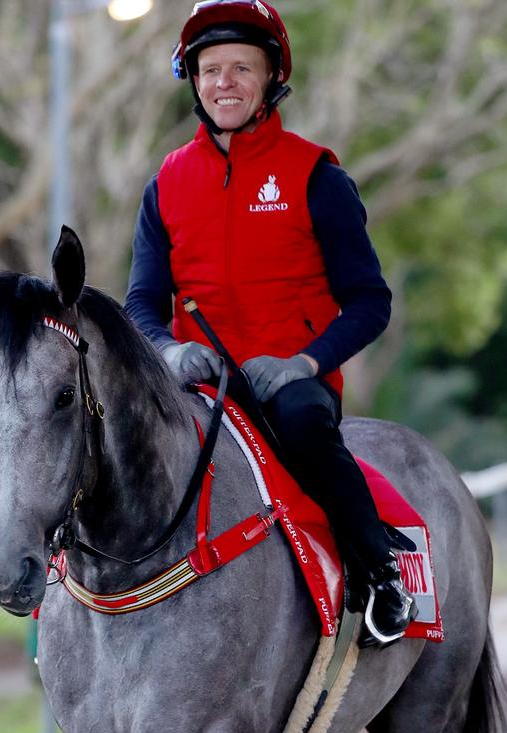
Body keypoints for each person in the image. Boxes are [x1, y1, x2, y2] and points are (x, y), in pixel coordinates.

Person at [124, 0, 417, 645]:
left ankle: (381, 572)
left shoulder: (318, 176)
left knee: (305, 426)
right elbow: (141, 302)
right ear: (193, 81)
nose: (224, 81)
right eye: (210, 70)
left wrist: (304, 364)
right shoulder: (166, 183)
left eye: (241, 68)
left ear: (269, 80)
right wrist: (168, 350)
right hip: (197, 383)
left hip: (289, 382)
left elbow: (370, 301)